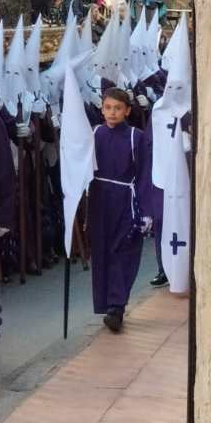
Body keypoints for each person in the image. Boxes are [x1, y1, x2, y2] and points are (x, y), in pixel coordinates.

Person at [87, 87, 149, 333]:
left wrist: (146, 211)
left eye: (118, 108)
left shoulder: (136, 137)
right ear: (101, 109)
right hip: (100, 199)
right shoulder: (95, 134)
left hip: (125, 200)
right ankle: (106, 303)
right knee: (102, 250)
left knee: (123, 251)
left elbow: (144, 174)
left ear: (127, 111)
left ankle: (116, 306)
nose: (112, 113)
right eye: (108, 108)